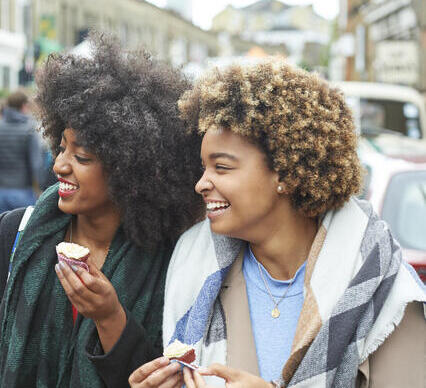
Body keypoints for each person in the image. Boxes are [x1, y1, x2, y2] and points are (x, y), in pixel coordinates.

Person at [129, 61, 426, 388]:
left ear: (285, 173)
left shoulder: (382, 288)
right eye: (203, 168)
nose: (201, 183)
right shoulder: (195, 265)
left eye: (222, 168)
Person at [0, 32, 204, 388]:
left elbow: (157, 376)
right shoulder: (15, 232)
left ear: (130, 169)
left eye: (81, 156)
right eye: (61, 148)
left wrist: (109, 317)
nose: (60, 165)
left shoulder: (168, 259)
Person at [0, 90, 41, 217]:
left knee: (1, 232)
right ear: (23, 106)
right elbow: (36, 163)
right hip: (23, 189)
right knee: (23, 232)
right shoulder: (29, 130)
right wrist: (40, 187)